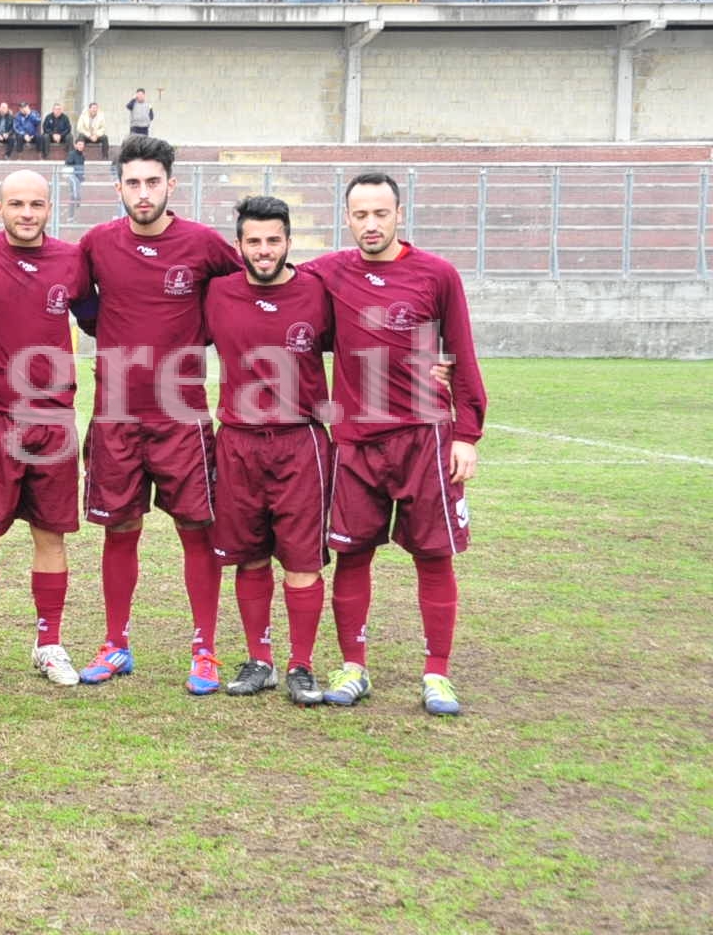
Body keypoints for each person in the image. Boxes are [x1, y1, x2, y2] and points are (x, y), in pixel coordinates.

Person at [306, 173, 487, 717]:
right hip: (357, 442)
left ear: (399, 214)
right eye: (360, 215)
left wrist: (468, 434)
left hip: (424, 439)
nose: (370, 224)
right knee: (352, 554)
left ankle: (437, 675)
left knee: (433, 557)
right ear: (347, 218)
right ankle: (353, 666)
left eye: (380, 213)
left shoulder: (437, 274)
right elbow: (270, 276)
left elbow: (461, 353)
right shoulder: (328, 273)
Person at [76, 135, 241, 691]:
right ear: (117, 186)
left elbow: (250, 288)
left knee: (197, 528)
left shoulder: (204, 244)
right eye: (132, 183)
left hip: (182, 418)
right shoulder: (98, 244)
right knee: (120, 529)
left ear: (171, 185)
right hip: (115, 416)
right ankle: (115, 644)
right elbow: (81, 303)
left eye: (152, 182)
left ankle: (205, 650)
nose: (142, 193)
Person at [0, 170, 93, 689]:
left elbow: (100, 313)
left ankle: (49, 642)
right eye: (16, 203)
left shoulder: (71, 260)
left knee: (51, 533)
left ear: (50, 207)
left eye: (37, 203)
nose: (27, 213)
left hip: (53, 417)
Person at [204, 195, 335, 701]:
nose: (263, 250)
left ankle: (302, 665)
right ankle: (260, 660)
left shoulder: (318, 293)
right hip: (236, 442)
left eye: (273, 240)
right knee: (249, 556)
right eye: (253, 241)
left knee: (302, 561)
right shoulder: (215, 293)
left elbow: (366, 344)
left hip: (299, 440)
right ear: (238, 245)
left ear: (288, 242)